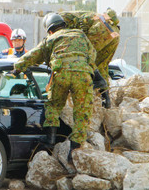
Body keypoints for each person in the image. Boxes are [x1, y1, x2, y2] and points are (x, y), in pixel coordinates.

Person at [13, 13, 97, 163]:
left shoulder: (51, 38)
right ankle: (74, 150)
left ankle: (50, 141)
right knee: (82, 111)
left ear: (50, 30)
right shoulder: (80, 34)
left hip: (61, 74)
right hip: (83, 75)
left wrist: (18, 67)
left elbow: (34, 55)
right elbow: (92, 54)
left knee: (53, 105)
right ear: (63, 25)